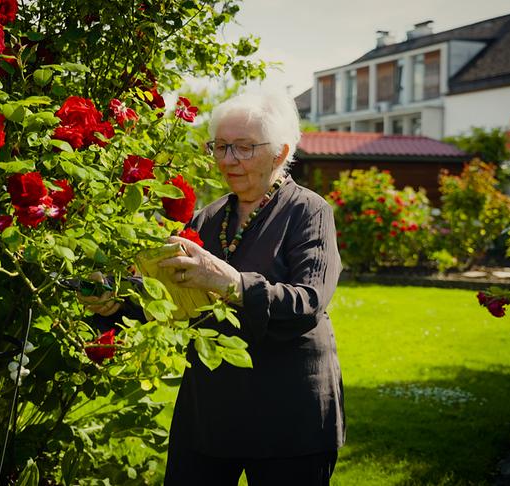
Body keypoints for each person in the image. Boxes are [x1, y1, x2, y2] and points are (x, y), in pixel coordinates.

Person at [83, 91, 345, 485]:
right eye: (220, 146)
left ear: (280, 152)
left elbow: (307, 302)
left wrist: (231, 283)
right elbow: (175, 295)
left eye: (243, 148)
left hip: (289, 415)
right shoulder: (209, 218)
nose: (227, 160)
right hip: (210, 411)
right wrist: (116, 302)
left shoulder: (308, 212)